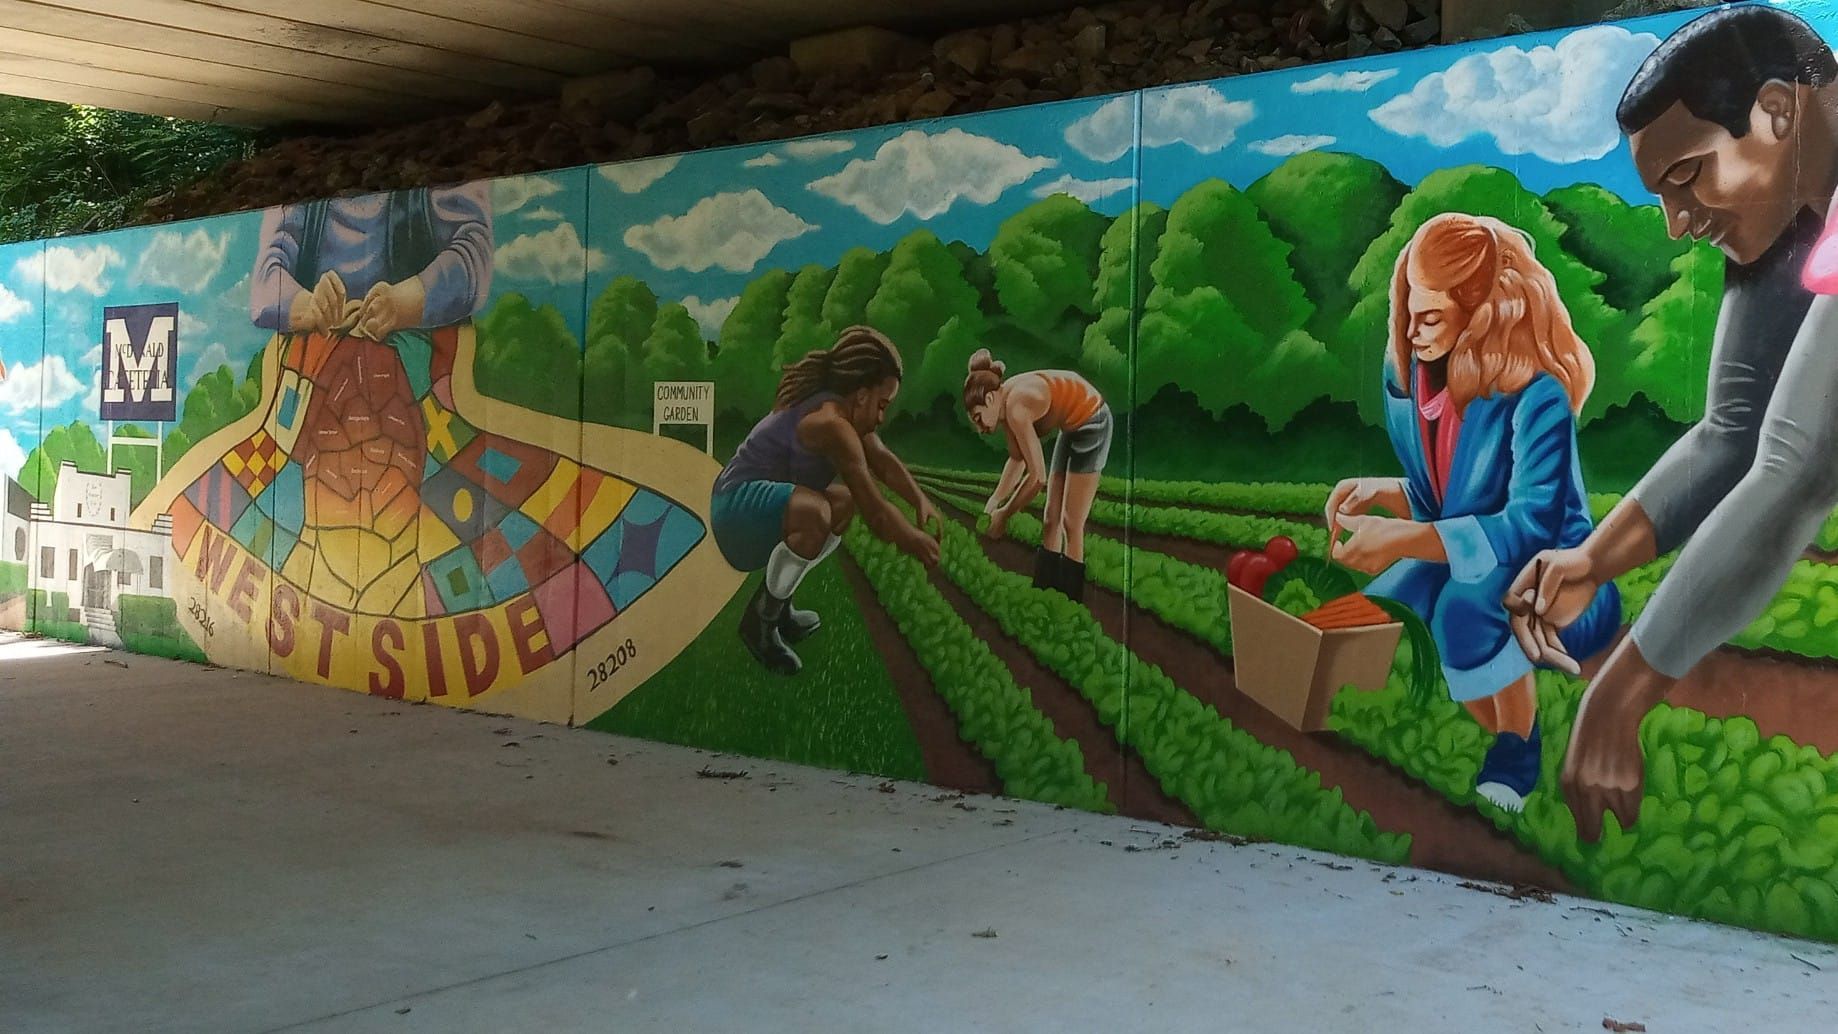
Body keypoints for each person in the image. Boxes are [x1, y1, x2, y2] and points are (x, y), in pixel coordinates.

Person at [1507, 5, 1838, 840]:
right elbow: (1734, 433)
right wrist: (1591, 560)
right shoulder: (1794, 201)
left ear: (1778, 110)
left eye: (1688, 178)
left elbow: (1796, 469)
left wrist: (1618, 697)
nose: (1679, 224)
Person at [1325, 213, 1621, 813]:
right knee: (1381, 605)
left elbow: (1527, 525)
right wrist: (1386, 492)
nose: (1412, 332)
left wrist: (1406, 539)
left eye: (1429, 316)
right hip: (1477, 551)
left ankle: (1519, 745)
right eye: (1408, 311)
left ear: (1482, 310)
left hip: (1552, 577)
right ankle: (1493, 713)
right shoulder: (1419, 386)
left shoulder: (1536, 397)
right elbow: (1450, 500)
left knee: (1461, 612)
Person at [712, 326, 942, 675]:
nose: (881, 417)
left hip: (758, 507)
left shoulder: (843, 414)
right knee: (817, 512)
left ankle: (779, 604)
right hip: (734, 510)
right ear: (860, 395)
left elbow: (885, 463)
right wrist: (911, 539)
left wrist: (919, 500)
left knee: (840, 504)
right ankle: (760, 624)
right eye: (881, 405)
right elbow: (876, 510)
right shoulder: (832, 424)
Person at [962, 350, 1112, 602]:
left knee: (1071, 523)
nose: (980, 429)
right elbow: (1018, 460)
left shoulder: (1016, 407)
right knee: (1050, 519)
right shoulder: (1005, 404)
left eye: (978, 418)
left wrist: (1004, 515)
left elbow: (1037, 477)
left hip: (1092, 420)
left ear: (989, 399)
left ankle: (1071, 600)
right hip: (1071, 426)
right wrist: (994, 501)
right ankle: (1044, 595)